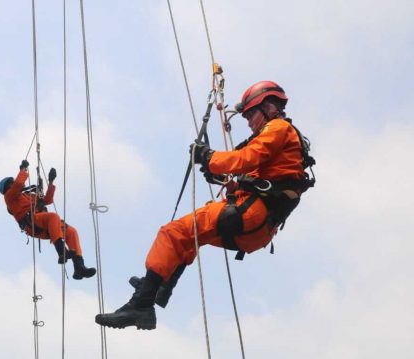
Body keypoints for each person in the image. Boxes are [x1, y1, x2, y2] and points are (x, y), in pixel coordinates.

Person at [95, 80, 315, 330]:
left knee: (172, 232)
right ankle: (158, 288)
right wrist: (220, 175)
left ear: (269, 107)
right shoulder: (281, 140)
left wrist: (209, 157)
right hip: (258, 227)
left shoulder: (277, 128)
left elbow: (246, 158)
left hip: (251, 214)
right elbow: (255, 175)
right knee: (188, 238)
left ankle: (143, 304)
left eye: (251, 114)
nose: (249, 121)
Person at [0, 159, 96, 280]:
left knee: (71, 231)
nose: (16, 182)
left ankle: (79, 267)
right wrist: (23, 169)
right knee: (53, 217)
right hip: (32, 222)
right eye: (12, 182)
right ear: (8, 186)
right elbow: (18, 184)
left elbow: (47, 200)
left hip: (43, 223)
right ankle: (61, 252)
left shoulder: (28, 196)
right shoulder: (10, 197)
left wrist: (50, 182)